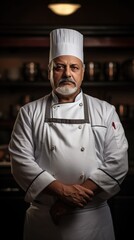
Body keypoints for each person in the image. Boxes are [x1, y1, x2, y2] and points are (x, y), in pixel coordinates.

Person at [8, 28, 128, 240]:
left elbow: (117, 162)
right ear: (49, 71)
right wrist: (60, 192)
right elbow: (20, 162)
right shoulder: (29, 112)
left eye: (74, 67)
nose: (67, 74)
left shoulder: (105, 110)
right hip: (45, 220)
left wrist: (67, 202)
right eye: (59, 67)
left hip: (92, 219)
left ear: (83, 71)